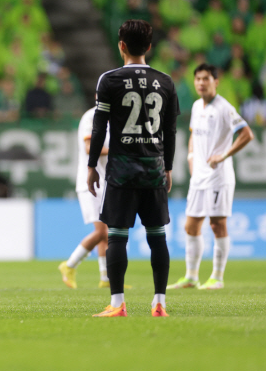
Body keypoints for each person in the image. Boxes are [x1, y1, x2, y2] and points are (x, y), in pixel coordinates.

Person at [87, 20, 180, 318]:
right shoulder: (165, 82)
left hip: (121, 171)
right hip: (153, 168)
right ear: (150, 47)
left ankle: (118, 304)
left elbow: (99, 127)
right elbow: (171, 130)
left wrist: (91, 166)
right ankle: (160, 303)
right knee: (158, 237)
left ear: (121, 46)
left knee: (116, 236)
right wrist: (168, 167)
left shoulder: (109, 80)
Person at [168, 64, 254, 290]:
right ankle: (191, 276)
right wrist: (191, 156)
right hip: (199, 177)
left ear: (216, 81)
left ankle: (217, 277)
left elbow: (247, 134)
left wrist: (223, 155)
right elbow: (193, 134)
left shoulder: (225, 108)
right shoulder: (197, 107)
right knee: (191, 226)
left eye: (206, 79)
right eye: (197, 79)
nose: (201, 83)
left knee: (217, 225)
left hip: (219, 177)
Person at [59, 105, 122, 289]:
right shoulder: (91, 117)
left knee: (107, 231)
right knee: (103, 232)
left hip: (106, 181)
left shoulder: (115, 118)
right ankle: (69, 265)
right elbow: (89, 148)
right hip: (89, 182)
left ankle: (106, 278)